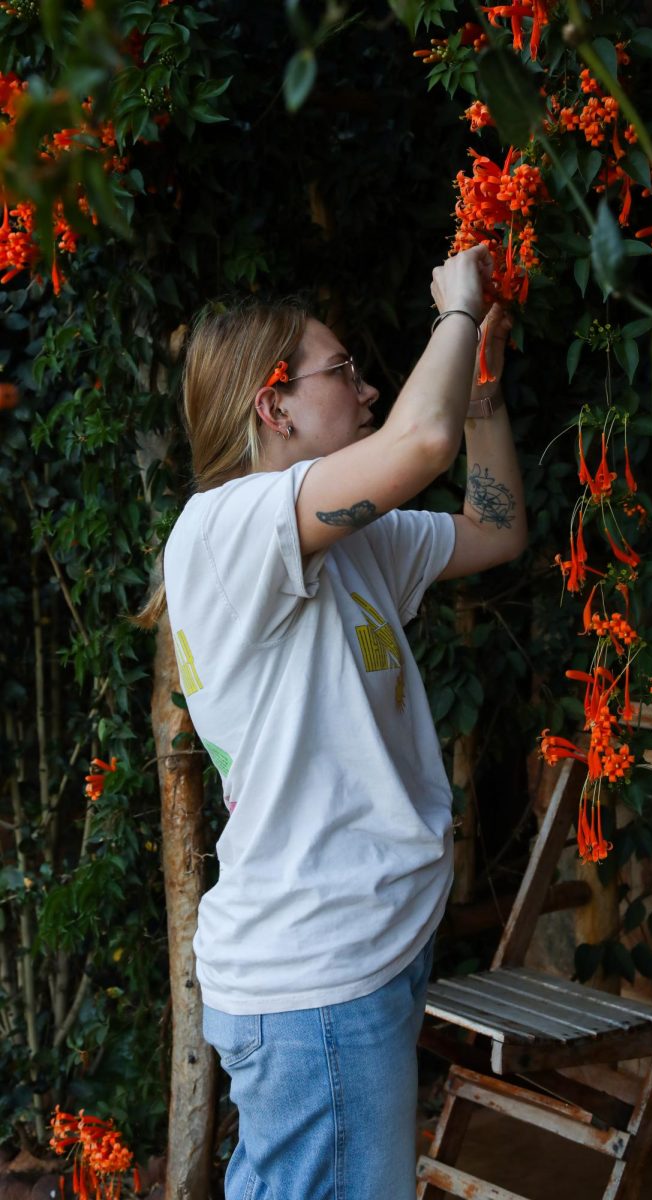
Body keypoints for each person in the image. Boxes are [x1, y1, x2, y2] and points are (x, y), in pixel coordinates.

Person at [158, 243, 526, 1200]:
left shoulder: (355, 542)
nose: (365, 391)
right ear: (272, 405)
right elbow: (418, 446)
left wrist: (480, 392)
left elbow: (494, 528)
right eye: (344, 370)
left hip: (354, 962)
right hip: (313, 978)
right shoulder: (226, 526)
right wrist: (454, 307)